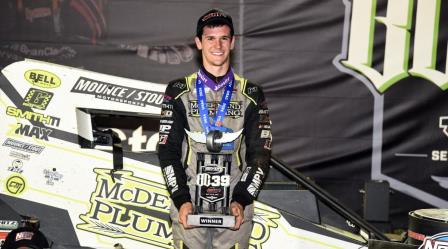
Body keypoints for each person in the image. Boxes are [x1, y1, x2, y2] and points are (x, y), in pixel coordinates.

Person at [158, 8, 272, 249]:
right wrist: (181, 199)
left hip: (235, 207)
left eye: (223, 38)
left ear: (232, 43)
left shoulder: (251, 94)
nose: (217, 45)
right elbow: (167, 152)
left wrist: (241, 199)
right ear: (199, 42)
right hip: (188, 204)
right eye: (210, 38)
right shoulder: (178, 90)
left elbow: (260, 154)